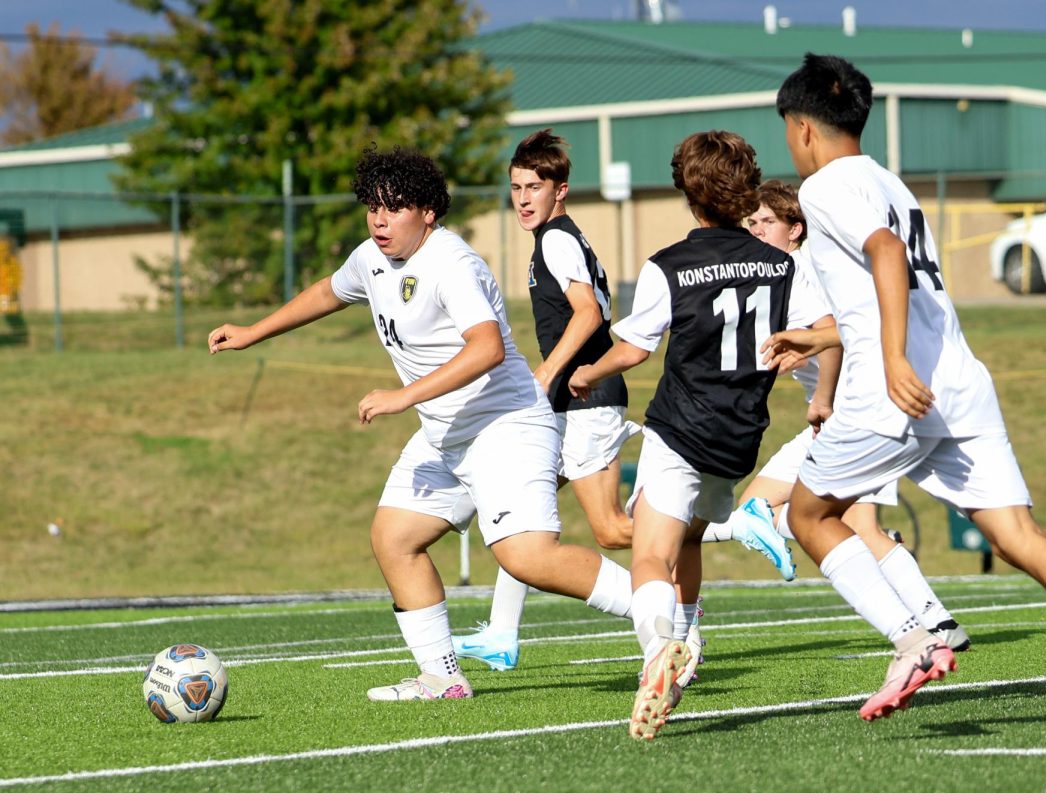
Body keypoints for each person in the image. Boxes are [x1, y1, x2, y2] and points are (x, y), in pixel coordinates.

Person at [766, 53, 1046, 737]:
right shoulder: (892, 183)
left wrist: (888, 358)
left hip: (892, 388)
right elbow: (894, 287)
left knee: (807, 514)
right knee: (1019, 535)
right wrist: (820, 337)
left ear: (803, 127)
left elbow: (887, 258)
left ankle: (913, 638)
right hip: (958, 380)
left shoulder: (823, 188)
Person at [207, 145, 635, 702]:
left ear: (428, 212)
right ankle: (442, 676)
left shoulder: (453, 263)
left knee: (526, 557)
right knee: (395, 537)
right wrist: (252, 331)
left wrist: (402, 396)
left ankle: (664, 616)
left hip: (504, 425)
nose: (380, 220)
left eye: (395, 207)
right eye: (372, 208)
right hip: (447, 433)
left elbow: (485, 350)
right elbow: (328, 292)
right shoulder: (372, 257)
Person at [453, 129, 794, 673]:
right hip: (581, 401)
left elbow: (590, 316)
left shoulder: (558, 240)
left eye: (533, 187)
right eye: (515, 187)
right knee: (521, 517)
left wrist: (551, 371)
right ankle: (501, 631)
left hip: (586, 397)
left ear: (559, 191)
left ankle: (728, 540)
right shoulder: (558, 238)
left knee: (615, 530)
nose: (522, 198)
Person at [569, 131, 829, 740]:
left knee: (649, 554)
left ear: (688, 192)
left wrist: (588, 370)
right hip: (740, 438)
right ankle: (686, 643)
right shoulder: (781, 264)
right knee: (685, 534)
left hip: (682, 428)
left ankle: (659, 650)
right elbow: (828, 328)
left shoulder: (669, 266)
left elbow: (633, 349)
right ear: (746, 190)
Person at [702, 179, 969, 652]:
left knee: (757, 511)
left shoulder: (798, 268)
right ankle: (939, 623)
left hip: (848, 415)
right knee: (857, 528)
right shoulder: (784, 271)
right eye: (752, 222)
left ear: (795, 230)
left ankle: (930, 627)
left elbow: (837, 336)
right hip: (862, 411)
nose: (756, 229)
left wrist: (821, 397)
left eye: (767, 221)